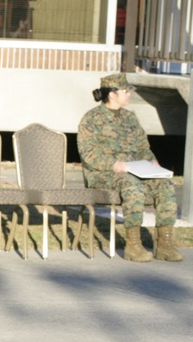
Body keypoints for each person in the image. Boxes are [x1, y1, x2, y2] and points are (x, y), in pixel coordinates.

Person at [77, 74, 184, 263]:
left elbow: (143, 147)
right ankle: (133, 246)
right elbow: (88, 153)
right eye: (125, 92)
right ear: (112, 94)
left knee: (164, 184)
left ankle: (164, 244)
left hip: (135, 170)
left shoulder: (130, 117)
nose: (129, 95)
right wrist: (112, 164)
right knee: (131, 185)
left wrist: (152, 162)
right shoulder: (92, 119)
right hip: (103, 174)